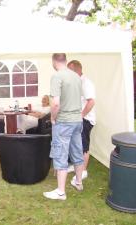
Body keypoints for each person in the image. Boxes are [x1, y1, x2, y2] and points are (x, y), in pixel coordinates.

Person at [43, 53, 84, 201]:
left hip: (64, 121)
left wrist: (53, 118)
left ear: (54, 61)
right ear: (65, 61)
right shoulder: (76, 76)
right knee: (77, 151)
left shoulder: (57, 76)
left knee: (60, 153)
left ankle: (61, 192)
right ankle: (78, 182)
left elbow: (55, 103)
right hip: (77, 120)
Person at [67, 60, 95, 182]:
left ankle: (83, 171)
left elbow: (91, 102)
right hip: (77, 119)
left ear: (76, 70)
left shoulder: (86, 83)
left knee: (83, 146)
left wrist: (81, 116)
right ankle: (76, 165)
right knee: (76, 145)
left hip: (86, 120)